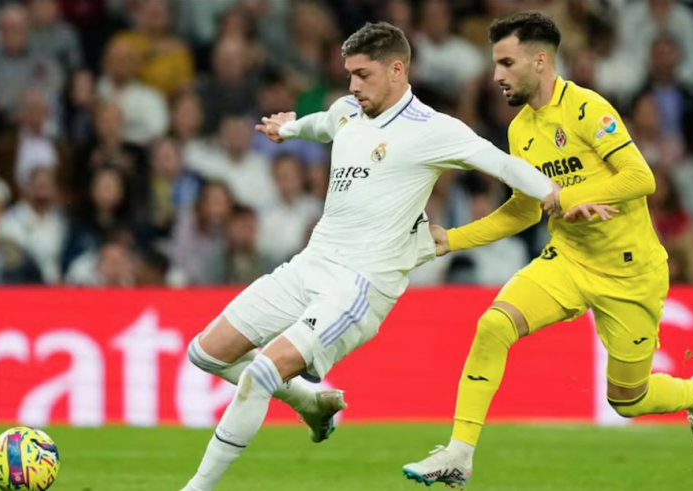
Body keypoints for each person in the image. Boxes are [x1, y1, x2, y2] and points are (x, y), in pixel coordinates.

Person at [179, 22, 561, 491]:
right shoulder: (347, 111)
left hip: (358, 287)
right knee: (205, 353)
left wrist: (555, 194)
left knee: (261, 373)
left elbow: (501, 163)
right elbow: (322, 124)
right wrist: (289, 129)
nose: (353, 85)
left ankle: (196, 487)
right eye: (349, 75)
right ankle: (308, 402)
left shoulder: (433, 129)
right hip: (309, 265)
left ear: (397, 70)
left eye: (363, 75)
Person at [403, 12, 693, 489]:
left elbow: (641, 178)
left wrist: (568, 196)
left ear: (540, 61)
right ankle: (459, 455)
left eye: (506, 63)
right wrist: (453, 239)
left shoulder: (587, 109)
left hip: (629, 273)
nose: (496, 75)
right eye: (495, 64)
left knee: (628, 399)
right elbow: (524, 210)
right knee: (494, 326)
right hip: (569, 260)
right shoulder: (520, 130)